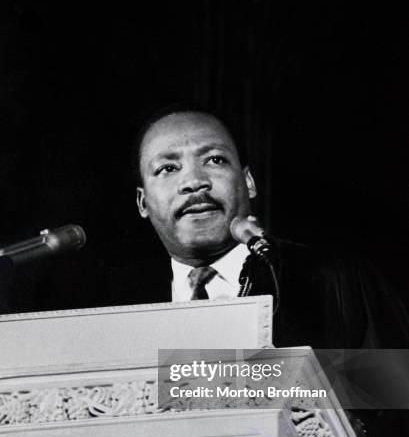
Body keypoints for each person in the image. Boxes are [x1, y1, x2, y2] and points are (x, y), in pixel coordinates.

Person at [132, 103, 409, 349]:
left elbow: (394, 394)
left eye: (215, 160)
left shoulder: (337, 281)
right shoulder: (116, 303)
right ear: (143, 202)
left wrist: (269, 380)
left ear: (249, 182)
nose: (194, 181)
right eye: (167, 168)